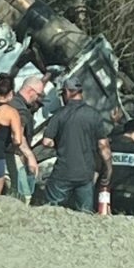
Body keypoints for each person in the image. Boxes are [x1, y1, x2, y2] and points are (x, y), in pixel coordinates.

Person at [40, 76, 112, 212]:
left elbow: (46, 142)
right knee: (85, 214)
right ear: (80, 92)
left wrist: (60, 143)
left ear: (67, 92)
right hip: (85, 174)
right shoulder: (94, 115)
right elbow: (103, 146)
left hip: (63, 172)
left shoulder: (60, 115)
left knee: (52, 212)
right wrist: (108, 169)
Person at [5, 75, 46, 204]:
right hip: (10, 153)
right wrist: (29, 155)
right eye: (38, 95)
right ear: (30, 91)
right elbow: (18, 135)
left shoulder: (10, 101)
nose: (37, 99)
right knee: (24, 195)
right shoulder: (21, 110)